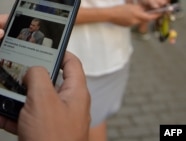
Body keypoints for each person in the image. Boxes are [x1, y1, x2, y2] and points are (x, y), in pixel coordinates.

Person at [61, 0, 169, 141]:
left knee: (97, 119)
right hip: (77, 65)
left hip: (117, 57)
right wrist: (111, 14)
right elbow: (48, 9)